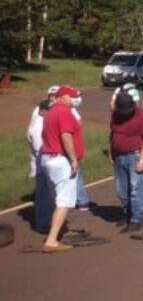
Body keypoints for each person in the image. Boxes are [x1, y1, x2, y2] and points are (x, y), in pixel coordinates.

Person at [39, 86, 85, 253]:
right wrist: (73, 159)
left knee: (57, 199)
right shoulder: (64, 112)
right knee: (64, 201)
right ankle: (51, 240)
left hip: (49, 159)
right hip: (60, 160)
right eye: (72, 97)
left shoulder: (51, 112)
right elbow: (66, 135)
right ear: (63, 97)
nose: (74, 99)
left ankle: (59, 230)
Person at [110, 93, 143, 233]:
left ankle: (136, 218)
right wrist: (111, 152)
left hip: (134, 155)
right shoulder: (116, 115)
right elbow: (113, 133)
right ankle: (128, 213)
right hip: (119, 156)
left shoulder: (142, 115)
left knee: (135, 189)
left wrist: (142, 159)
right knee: (121, 189)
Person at [28, 99, 54, 232]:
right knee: (44, 195)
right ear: (43, 111)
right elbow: (40, 148)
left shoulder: (44, 122)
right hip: (42, 166)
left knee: (50, 195)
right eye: (50, 110)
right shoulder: (38, 126)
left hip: (47, 164)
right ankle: (43, 224)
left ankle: (49, 222)